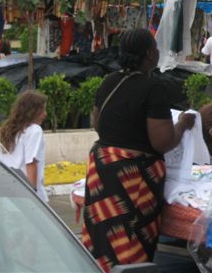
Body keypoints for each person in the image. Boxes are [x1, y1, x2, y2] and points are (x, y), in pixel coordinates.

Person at [82, 28, 196, 272]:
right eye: (155, 47)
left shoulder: (109, 81)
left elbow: (98, 123)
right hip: (132, 180)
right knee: (130, 244)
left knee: (102, 239)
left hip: (102, 173)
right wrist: (182, 125)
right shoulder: (152, 88)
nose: (157, 52)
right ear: (149, 54)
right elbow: (162, 142)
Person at [0, 90, 48, 202]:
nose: (45, 114)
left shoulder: (8, 131)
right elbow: (31, 162)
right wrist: (32, 195)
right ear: (32, 111)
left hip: (7, 193)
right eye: (42, 110)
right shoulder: (34, 130)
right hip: (25, 194)